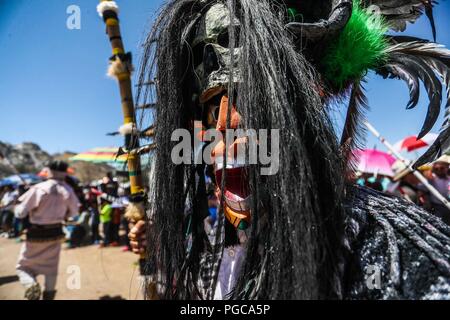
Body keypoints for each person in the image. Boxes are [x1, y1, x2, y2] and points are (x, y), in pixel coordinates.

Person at [14, 161, 80, 300]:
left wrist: (21, 201)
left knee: (23, 267)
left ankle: (31, 284)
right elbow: (74, 212)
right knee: (51, 268)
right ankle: (49, 295)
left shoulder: (39, 188)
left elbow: (20, 213)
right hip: (55, 234)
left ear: (50, 171)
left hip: (36, 234)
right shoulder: (68, 190)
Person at [418, 159, 450, 225]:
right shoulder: (430, 181)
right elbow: (420, 188)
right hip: (441, 211)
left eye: (441, 168)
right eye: (436, 169)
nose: (439, 170)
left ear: (447, 167)